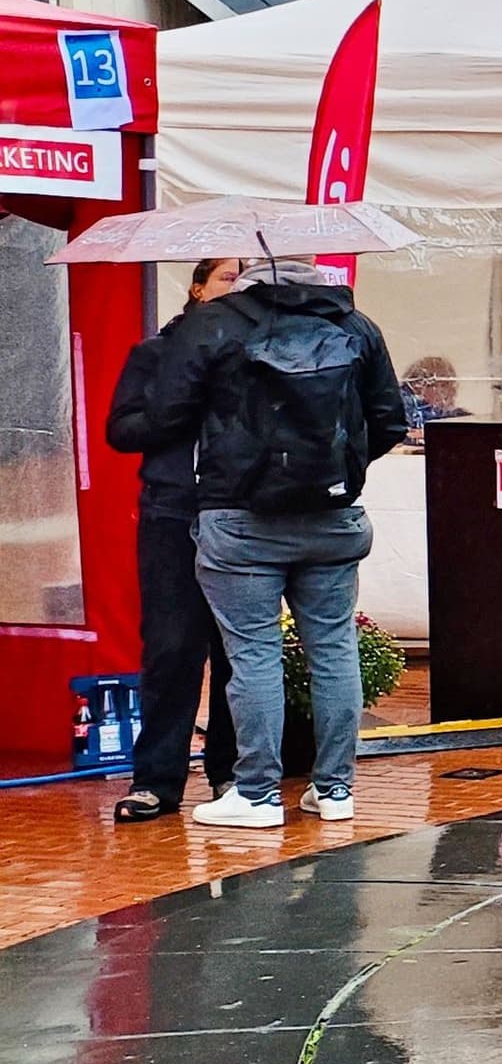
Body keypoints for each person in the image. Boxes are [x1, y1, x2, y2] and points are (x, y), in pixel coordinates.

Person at [125, 254, 410, 830]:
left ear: (250, 280)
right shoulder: (356, 326)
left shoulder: (213, 325)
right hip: (332, 518)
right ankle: (334, 792)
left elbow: (161, 421)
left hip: (240, 518)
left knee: (251, 653)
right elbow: (389, 423)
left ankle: (255, 795)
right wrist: (337, 472)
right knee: (332, 649)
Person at [101, 259, 244, 822]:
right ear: (198, 288)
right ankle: (157, 781)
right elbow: (121, 429)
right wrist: (177, 412)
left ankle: (232, 775)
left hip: (237, 517)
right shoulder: (154, 354)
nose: (237, 287)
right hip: (170, 514)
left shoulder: (254, 355)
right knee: (170, 648)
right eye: (227, 277)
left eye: (245, 279)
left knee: (238, 651)